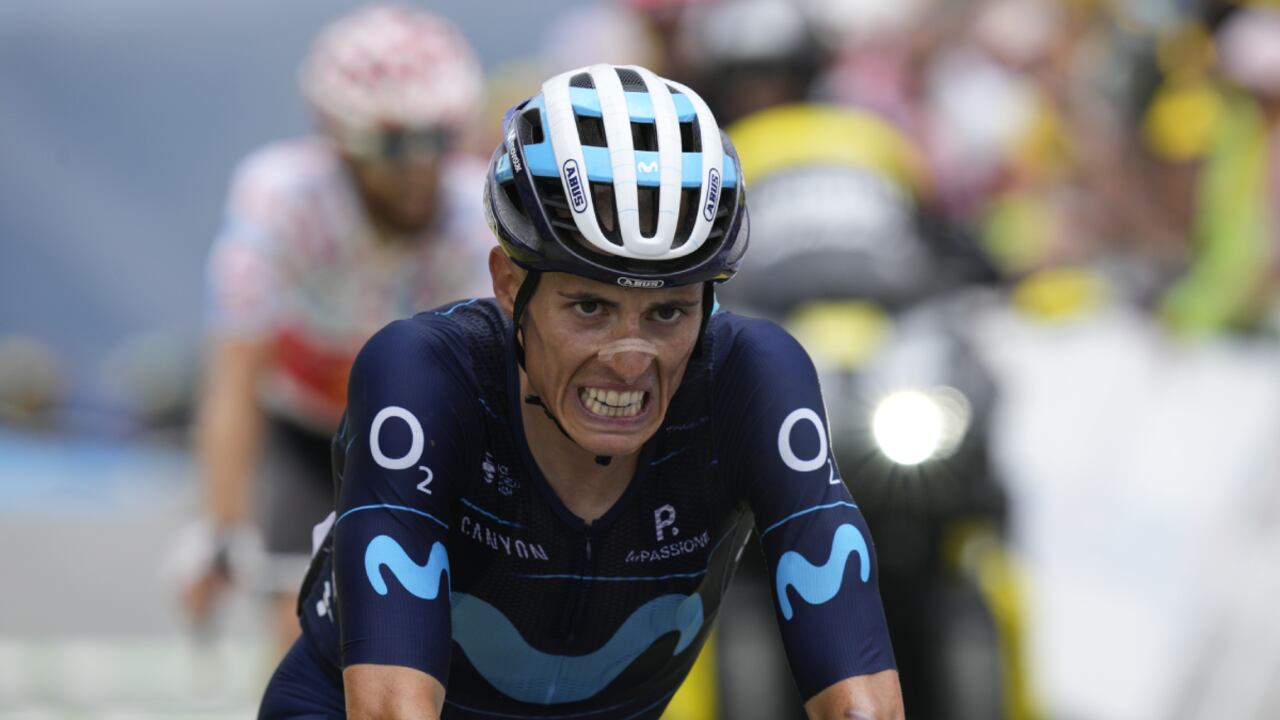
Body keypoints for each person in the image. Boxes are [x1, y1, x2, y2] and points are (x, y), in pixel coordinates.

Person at [258, 63, 904, 719]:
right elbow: (391, 708)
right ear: (510, 287)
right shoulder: (424, 374)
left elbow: (858, 694)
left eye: (667, 313)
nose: (628, 361)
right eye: (590, 309)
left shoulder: (754, 377)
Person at [184, 4, 493, 658]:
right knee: (299, 642)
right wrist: (220, 523)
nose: (416, 167)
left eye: (435, 139)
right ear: (335, 133)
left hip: (425, 437)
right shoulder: (280, 197)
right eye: (390, 144)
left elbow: (500, 382)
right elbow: (237, 366)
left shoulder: (479, 214)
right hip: (309, 433)